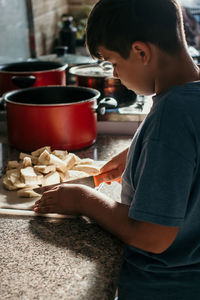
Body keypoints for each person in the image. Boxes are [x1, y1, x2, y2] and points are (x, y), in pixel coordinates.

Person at [33, 0, 200, 298]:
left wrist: (84, 200)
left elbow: (153, 235)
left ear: (141, 52)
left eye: (113, 63)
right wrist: (139, 154)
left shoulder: (171, 116)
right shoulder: (189, 96)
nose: (114, 74)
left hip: (161, 286)